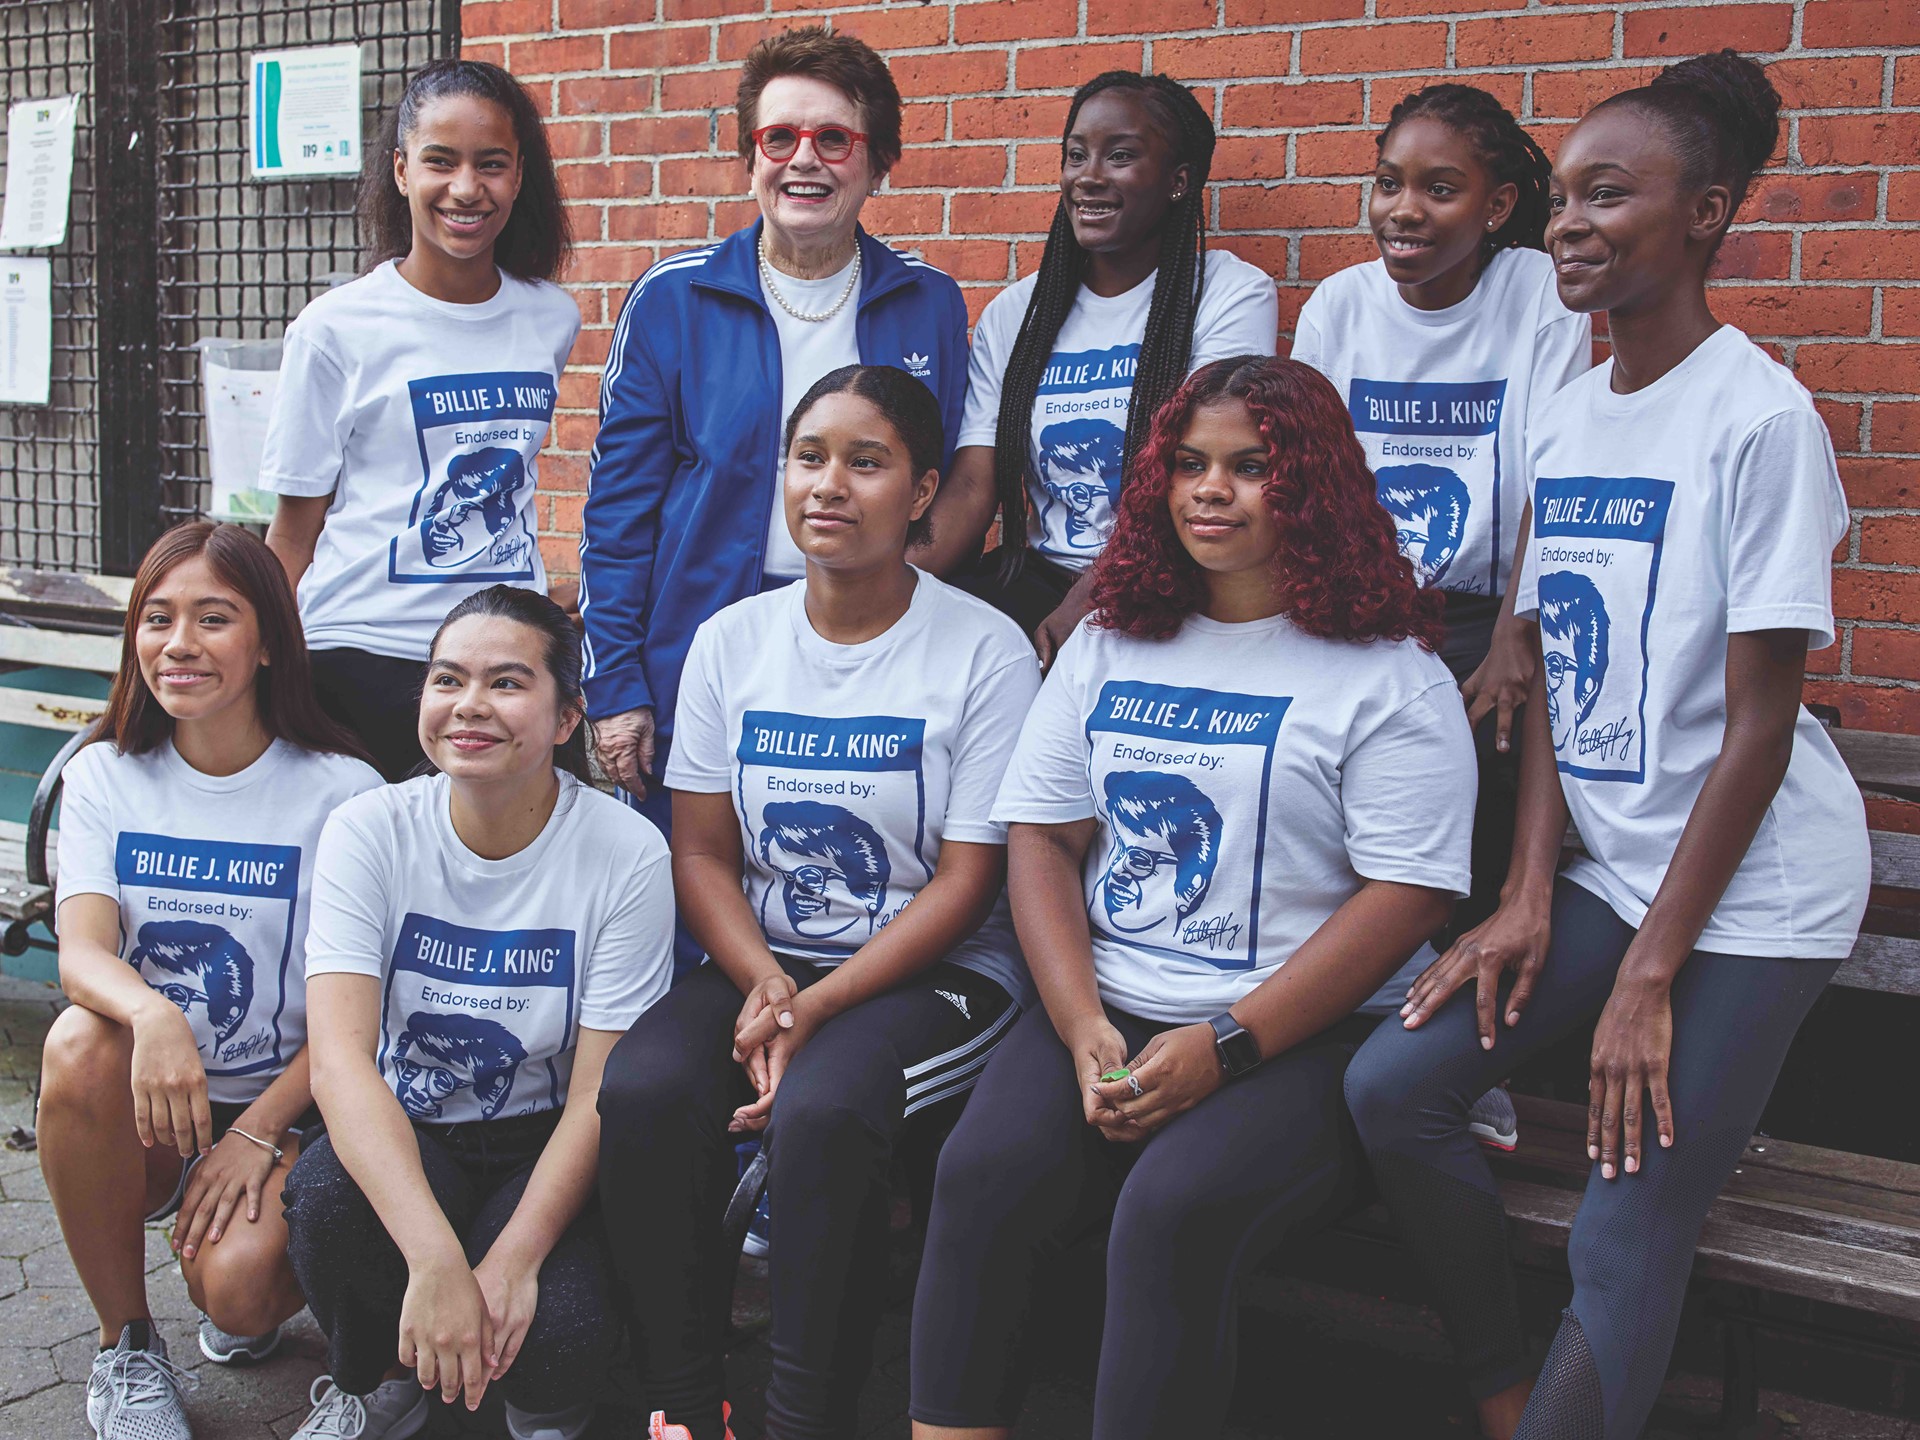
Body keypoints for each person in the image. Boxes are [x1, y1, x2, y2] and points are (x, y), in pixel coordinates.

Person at [1342, 52, 1870, 1440]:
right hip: (1618, 867)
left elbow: (1762, 728)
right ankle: (1507, 1391)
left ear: (1705, 213)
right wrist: (1528, 891)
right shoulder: (1570, 415)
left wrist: (1646, 975)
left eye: (1609, 196)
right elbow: (1545, 677)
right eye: (1565, 198)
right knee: (1394, 1087)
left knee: (1626, 1221)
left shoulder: (1760, 420)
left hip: (1753, 891)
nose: (1571, 224)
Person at [909, 356, 1477, 1440]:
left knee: (1171, 1212)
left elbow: (1407, 898)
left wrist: (1230, 1041)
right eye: (1189, 464)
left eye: (1251, 466)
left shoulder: (1386, 673)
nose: (1211, 489)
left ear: (1312, 484)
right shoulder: (1111, 641)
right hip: (1112, 1004)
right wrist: (1080, 1023)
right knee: (982, 1174)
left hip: (1311, 1037)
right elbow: (1044, 840)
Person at [597, 365, 1038, 1440]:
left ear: (923, 491)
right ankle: (684, 1407)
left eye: (866, 462)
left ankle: (804, 1421)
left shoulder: (984, 650)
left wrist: (817, 1006)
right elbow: (702, 852)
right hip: (769, 961)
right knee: (646, 1089)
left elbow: (970, 881)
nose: (828, 485)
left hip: (940, 972)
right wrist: (767, 983)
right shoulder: (732, 641)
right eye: (810, 458)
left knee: (828, 1111)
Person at [281, 586, 674, 1440]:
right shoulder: (369, 829)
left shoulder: (627, 852)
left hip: (544, 1141)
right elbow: (340, 1062)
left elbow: (596, 1094)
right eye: (447, 678)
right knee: (326, 1201)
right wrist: (432, 1260)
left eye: (506, 682)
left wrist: (511, 1264)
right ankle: (381, 1381)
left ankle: (542, 1403)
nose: (468, 704)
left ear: (567, 717)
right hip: (412, 1126)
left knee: (556, 1325)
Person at [582, 27, 968, 860]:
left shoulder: (929, 303)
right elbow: (617, 517)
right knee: (688, 882)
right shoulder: (674, 300)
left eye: (834, 139)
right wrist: (615, 685)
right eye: (780, 137)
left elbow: (928, 492)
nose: (805, 160)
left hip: (874, 650)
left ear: (878, 162)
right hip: (700, 648)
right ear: (749, 156)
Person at [37, 522, 380, 1440]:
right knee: (76, 1041)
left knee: (235, 1295)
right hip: (154, 1100)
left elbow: (358, 1014)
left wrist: (259, 1131)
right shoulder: (106, 771)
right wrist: (154, 1016)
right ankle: (126, 1348)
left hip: (288, 1103)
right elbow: (81, 954)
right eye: (157, 619)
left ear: (267, 642)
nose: (179, 644)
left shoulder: (343, 793)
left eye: (213, 618)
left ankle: (250, 1276)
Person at [1291, 83, 1593, 984]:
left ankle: (1465, 992)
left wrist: (1513, 635)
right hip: (1360, 609)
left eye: (1440, 188)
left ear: (1497, 208)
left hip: (1483, 612)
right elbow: (1304, 479)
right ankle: (1341, 987)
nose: (1404, 210)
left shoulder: (1537, 292)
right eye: (1389, 183)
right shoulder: (1341, 305)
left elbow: (1553, 471)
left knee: (1491, 747)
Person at [262, 58, 579, 782]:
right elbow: (292, 534)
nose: (466, 188)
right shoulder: (334, 330)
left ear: (519, 175)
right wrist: (261, 670)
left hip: (505, 657)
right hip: (359, 658)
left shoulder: (550, 317)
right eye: (441, 161)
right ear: (402, 171)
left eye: (490, 163)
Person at [916, 71, 1278, 659]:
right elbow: (977, 482)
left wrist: (1087, 603)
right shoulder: (1018, 313)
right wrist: (885, 582)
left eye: (1121, 156)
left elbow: (1197, 468)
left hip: (1175, 578)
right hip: (1039, 576)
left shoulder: (1227, 293)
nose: (1088, 176)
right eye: (1076, 155)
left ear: (1179, 181)